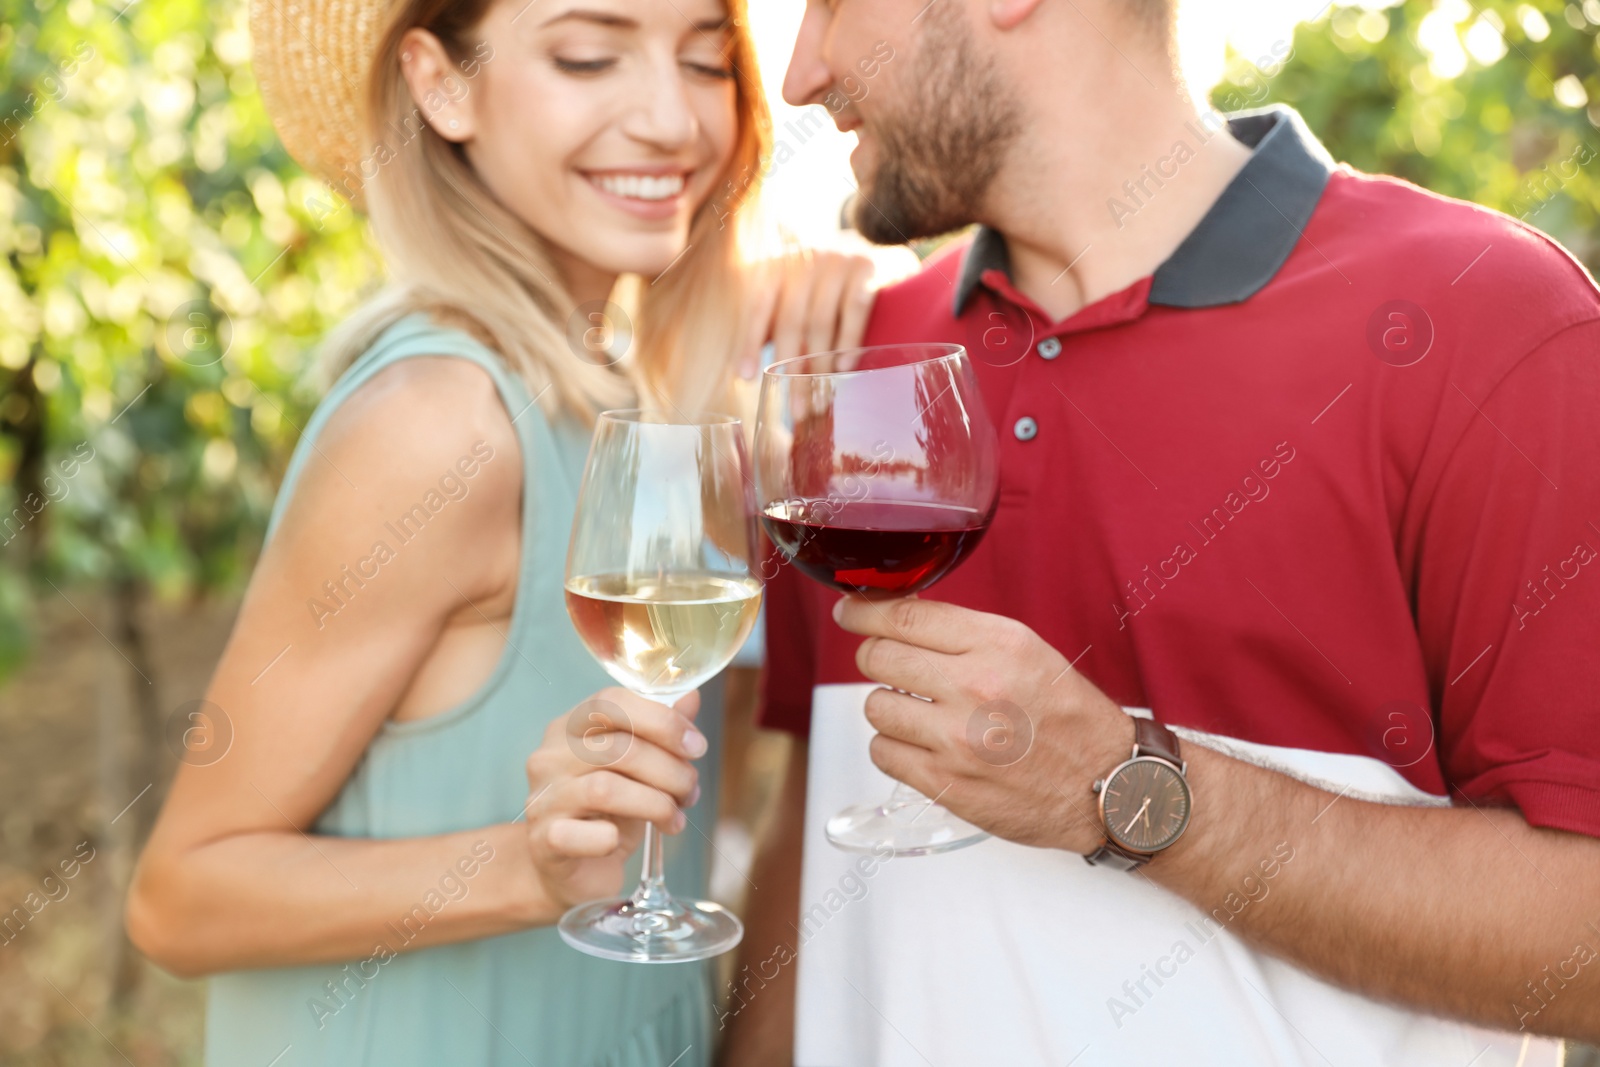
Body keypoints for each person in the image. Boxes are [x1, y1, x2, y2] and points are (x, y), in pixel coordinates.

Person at [725, 1, 1600, 1065]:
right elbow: (813, 831)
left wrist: (1124, 790)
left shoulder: (1487, 321)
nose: (801, 75)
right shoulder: (860, 358)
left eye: (827, 6)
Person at [124, 0, 878, 1064]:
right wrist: (522, 869)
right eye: (587, 55)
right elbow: (179, 897)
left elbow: (725, 766)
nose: (671, 119)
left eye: (705, 61)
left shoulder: (631, 407)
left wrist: (814, 302)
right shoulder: (441, 425)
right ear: (442, 83)